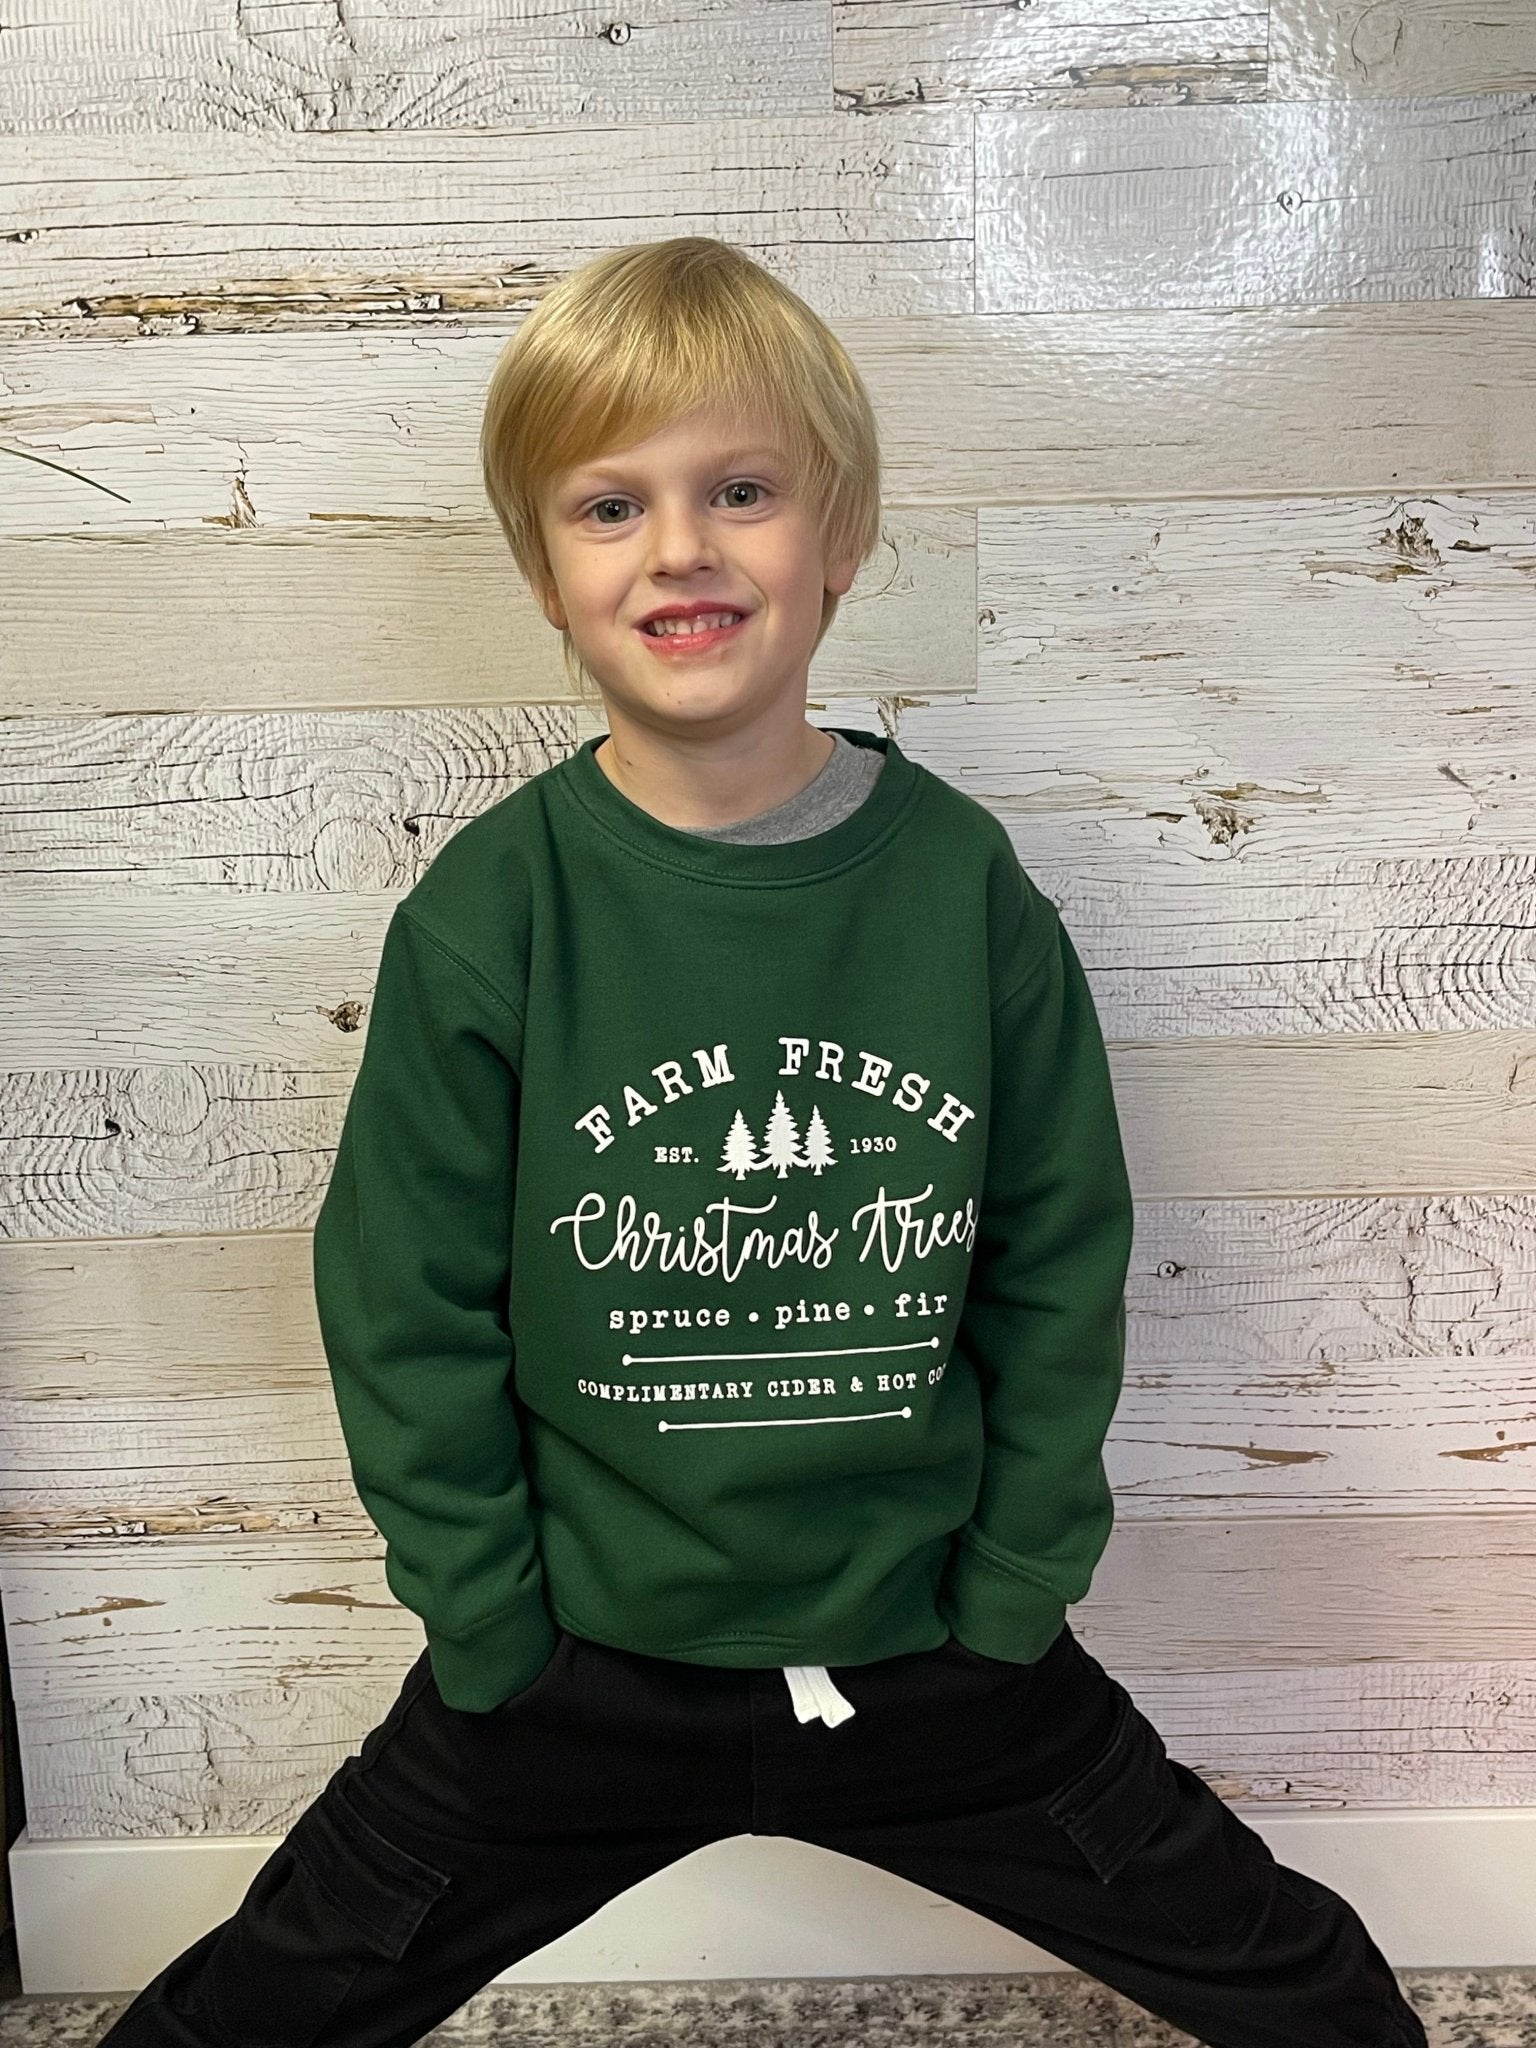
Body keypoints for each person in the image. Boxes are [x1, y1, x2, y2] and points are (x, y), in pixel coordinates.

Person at [94, 236, 1428, 2048]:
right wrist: (490, 1632)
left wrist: (1012, 1596)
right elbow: (402, 1303)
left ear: (839, 538)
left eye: (740, 491)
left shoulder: (960, 886)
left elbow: (1058, 1257)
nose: (681, 549)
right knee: (261, 2005)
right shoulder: (494, 913)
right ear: (545, 573)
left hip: (935, 1650)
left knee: (1304, 1983)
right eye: (610, 505)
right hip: (571, 1669)